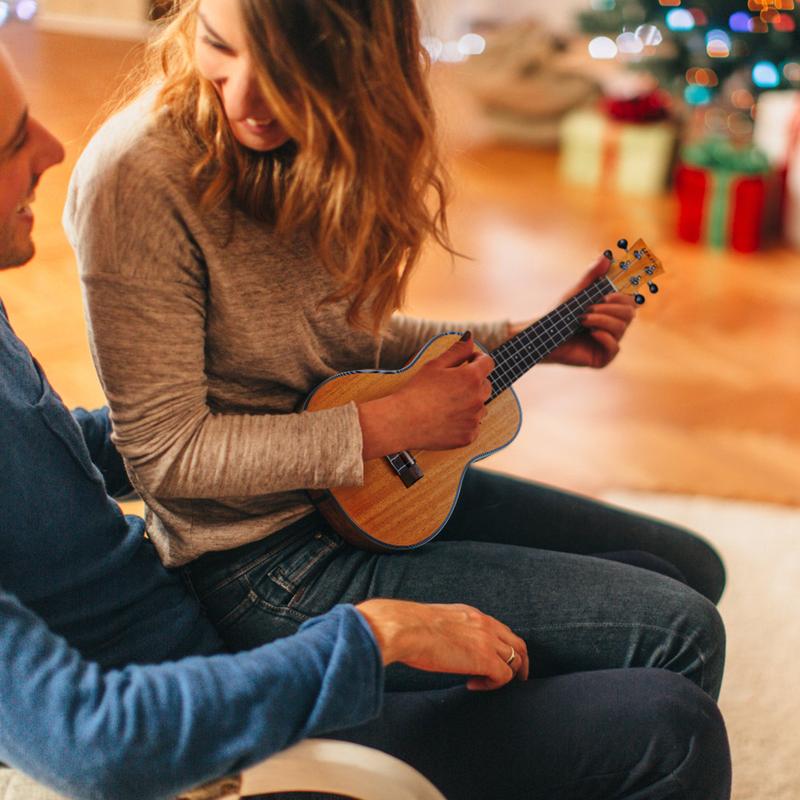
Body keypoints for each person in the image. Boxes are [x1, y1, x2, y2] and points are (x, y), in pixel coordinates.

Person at [0, 40, 732, 800]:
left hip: (235, 580)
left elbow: (77, 453)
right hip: (225, 668)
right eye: (16, 139)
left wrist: (510, 343)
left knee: (669, 580)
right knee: (673, 691)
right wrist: (376, 634)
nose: (55, 146)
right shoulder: (139, 175)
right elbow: (93, 743)